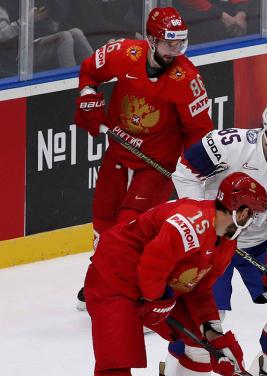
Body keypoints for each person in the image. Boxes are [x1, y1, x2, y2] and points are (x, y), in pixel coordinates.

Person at [37, 172, 267, 376]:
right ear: (241, 211)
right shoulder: (189, 226)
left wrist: (214, 336)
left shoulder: (224, 241)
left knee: (201, 348)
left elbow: (199, 289)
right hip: (114, 282)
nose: (256, 220)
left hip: (155, 289)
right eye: (255, 213)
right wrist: (157, 301)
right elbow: (151, 266)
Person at [159, 97, 267, 376]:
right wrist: (201, 221)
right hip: (214, 237)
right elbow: (186, 171)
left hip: (256, 241)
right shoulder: (229, 144)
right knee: (208, 318)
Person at [74, 6, 213, 309]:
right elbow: (89, 71)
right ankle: (101, 279)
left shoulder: (186, 79)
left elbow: (200, 131)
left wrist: (189, 169)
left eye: (180, 44)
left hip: (156, 166)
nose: (174, 50)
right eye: (168, 43)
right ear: (150, 39)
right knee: (103, 220)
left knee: (129, 228)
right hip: (119, 152)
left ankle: (132, 291)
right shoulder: (124, 54)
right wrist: (88, 97)